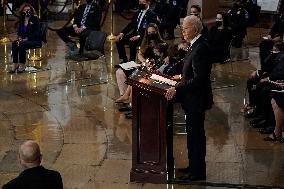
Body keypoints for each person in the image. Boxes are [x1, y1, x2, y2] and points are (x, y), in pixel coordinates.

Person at [165, 15, 213, 181]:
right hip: (191, 99)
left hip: (196, 100)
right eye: (182, 28)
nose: (182, 31)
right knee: (192, 136)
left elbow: (199, 79)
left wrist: (177, 87)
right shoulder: (195, 45)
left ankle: (197, 173)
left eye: (185, 28)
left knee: (196, 137)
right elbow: (190, 72)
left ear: (195, 29)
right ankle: (193, 167)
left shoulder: (201, 48)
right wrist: (179, 76)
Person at [115, 23, 166, 103]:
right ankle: (124, 95)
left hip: (152, 69)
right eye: (149, 33)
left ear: (156, 32)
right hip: (144, 65)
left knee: (136, 76)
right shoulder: (145, 42)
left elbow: (162, 59)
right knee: (119, 72)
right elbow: (139, 54)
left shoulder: (162, 44)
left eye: (153, 32)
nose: (151, 34)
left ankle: (129, 98)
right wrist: (144, 61)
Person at [10, 3, 41, 73]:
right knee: (14, 43)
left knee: (22, 44)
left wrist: (26, 39)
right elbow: (19, 32)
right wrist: (20, 38)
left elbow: (37, 33)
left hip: (34, 40)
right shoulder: (22, 19)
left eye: (28, 10)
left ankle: (22, 64)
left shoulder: (35, 19)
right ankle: (14, 64)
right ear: (22, 11)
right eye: (25, 10)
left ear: (31, 10)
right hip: (23, 40)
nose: (27, 11)